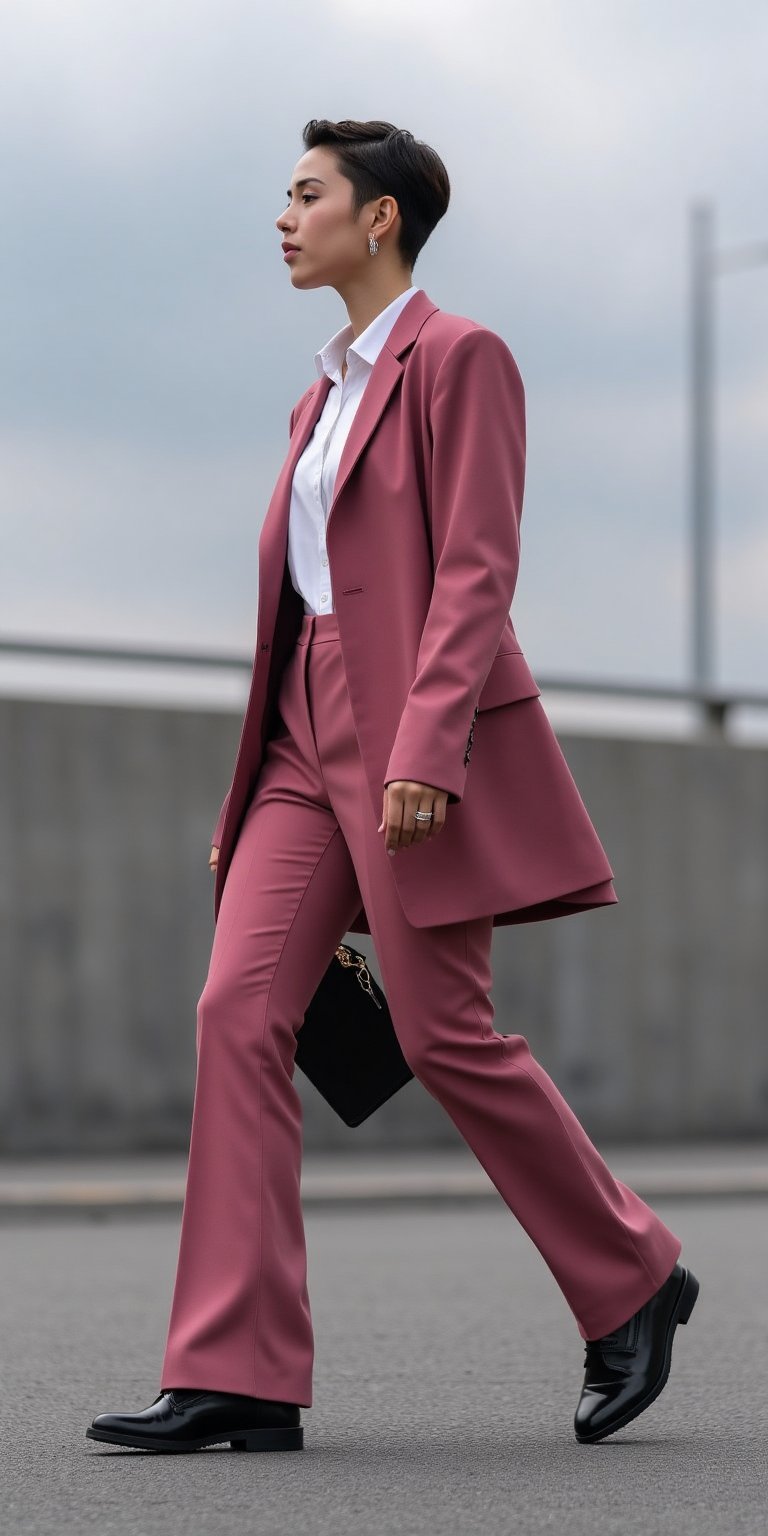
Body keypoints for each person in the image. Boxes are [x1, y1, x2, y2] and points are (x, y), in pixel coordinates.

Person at [87, 118, 698, 1456]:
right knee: (236, 1011)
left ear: (380, 220)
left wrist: (427, 748)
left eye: (307, 195)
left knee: (443, 1036)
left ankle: (633, 1277)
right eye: (284, 195)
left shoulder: (458, 358)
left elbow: (477, 565)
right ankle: (236, 1371)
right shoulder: (319, 396)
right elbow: (299, 604)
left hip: (410, 728)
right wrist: (246, 793)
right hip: (301, 744)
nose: (284, 216)